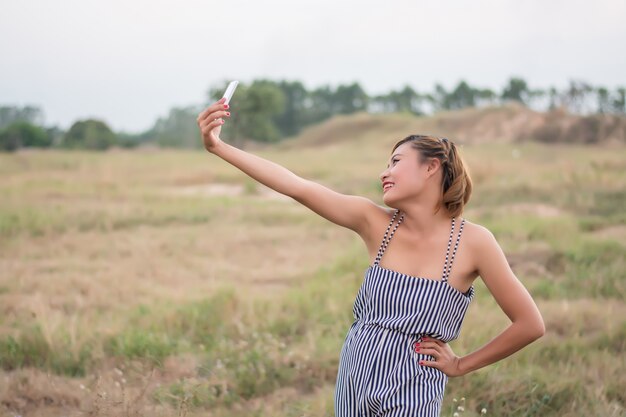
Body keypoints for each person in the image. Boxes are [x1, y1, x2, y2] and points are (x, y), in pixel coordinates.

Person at [197, 97, 545, 417]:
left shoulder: (475, 242)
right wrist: (219, 147)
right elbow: (296, 186)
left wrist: (461, 364)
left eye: (395, 162)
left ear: (431, 168)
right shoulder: (375, 223)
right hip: (354, 381)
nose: (384, 172)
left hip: (413, 390)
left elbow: (529, 324)